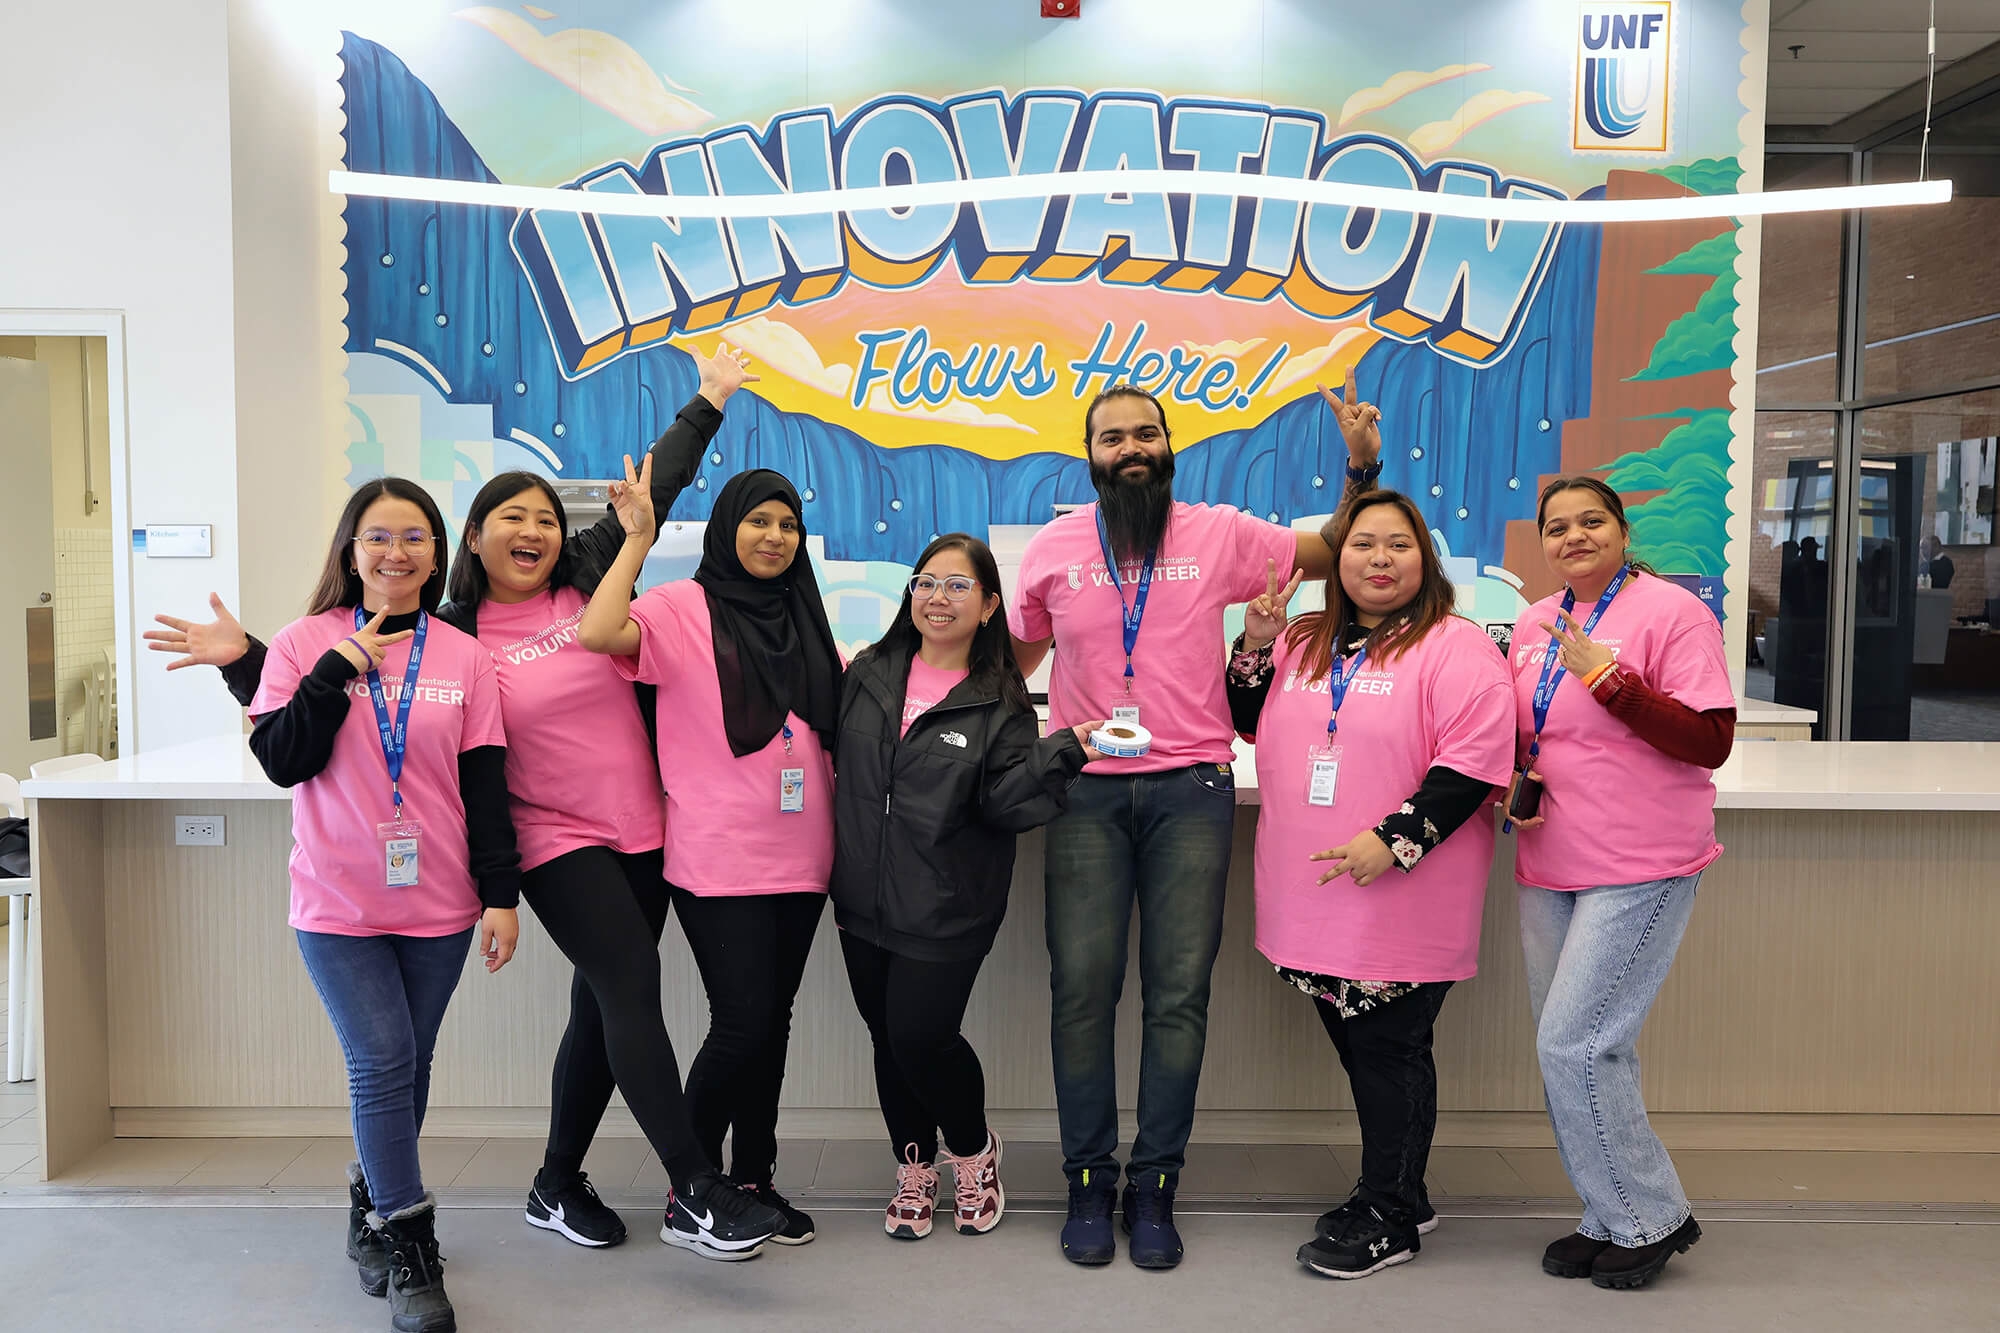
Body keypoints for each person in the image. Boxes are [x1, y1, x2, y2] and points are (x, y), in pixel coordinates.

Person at [149, 348, 787, 1263]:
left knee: (601, 1009)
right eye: (507, 517)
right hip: (550, 839)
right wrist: (245, 656)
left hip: (646, 827)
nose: (531, 529)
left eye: (542, 518)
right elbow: (353, 675)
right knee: (632, 986)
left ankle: (556, 1182)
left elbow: (657, 489)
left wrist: (711, 399)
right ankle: (694, 1187)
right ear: (474, 539)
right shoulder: (452, 630)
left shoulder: (588, 581)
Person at [1008, 369, 1383, 1269]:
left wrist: (1360, 470)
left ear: (1168, 447)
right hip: (1087, 792)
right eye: (1114, 438)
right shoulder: (1054, 548)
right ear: (1090, 455)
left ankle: (1157, 1183)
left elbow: (1334, 550)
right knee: (1082, 990)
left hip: (1193, 793)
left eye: (1146, 435)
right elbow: (1004, 662)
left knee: (1179, 996)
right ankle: (1089, 1180)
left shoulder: (1219, 534)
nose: (1131, 449)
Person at [247, 478, 519, 1333]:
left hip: (439, 901)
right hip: (335, 901)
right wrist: (336, 671)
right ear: (350, 549)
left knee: (410, 1066)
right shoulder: (300, 644)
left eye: (413, 537)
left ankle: (369, 1202)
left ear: (438, 554)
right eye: (377, 536)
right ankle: (410, 1242)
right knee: (381, 1059)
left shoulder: (466, 655)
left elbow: (486, 785)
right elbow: (283, 761)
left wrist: (501, 896)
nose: (395, 552)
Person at [1226, 491, 1514, 1279]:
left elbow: (1474, 766)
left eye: (1398, 544)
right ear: (1338, 559)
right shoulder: (1309, 639)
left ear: (1425, 558)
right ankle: (1400, 1188)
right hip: (1313, 895)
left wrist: (1392, 840)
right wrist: (1253, 641)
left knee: (1389, 1050)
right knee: (1368, 1053)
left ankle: (1388, 1212)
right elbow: (1246, 716)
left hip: (1403, 895)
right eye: (1362, 544)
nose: (1379, 559)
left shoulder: (1458, 648)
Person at [580, 458, 841, 1247]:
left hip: (805, 849)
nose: (774, 536)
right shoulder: (679, 605)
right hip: (718, 851)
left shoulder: (805, 609)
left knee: (773, 1021)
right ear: (729, 526)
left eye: (788, 523)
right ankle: (690, 1186)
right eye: (759, 520)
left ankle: (753, 1178)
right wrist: (637, 539)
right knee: (743, 1019)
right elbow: (598, 631)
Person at [830, 534, 1101, 1241]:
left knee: (922, 1036)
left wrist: (1067, 749)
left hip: (948, 903)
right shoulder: (868, 670)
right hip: (861, 898)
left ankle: (974, 1149)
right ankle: (913, 1164)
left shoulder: (998, 702)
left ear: (987, 606)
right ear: (909, 595)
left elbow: (1007, 804)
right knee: (887, 1040)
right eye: (927, 582)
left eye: (958, 586)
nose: (939, 597)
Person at [1504, 475, 1734, 1291]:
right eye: (1557, 526)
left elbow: (1710, 740)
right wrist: (1512, 778)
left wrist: (1612, 680)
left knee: (1576, 1041)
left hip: (1641, 864)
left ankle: (1652, 1215)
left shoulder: (1674, 613)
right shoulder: (1533, 622)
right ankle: (1606, 1212)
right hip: (1550, 861)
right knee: (1583, 1048)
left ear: (1622, 527)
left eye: (1590, 521)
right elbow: (1528, 726)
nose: (1574, 537)